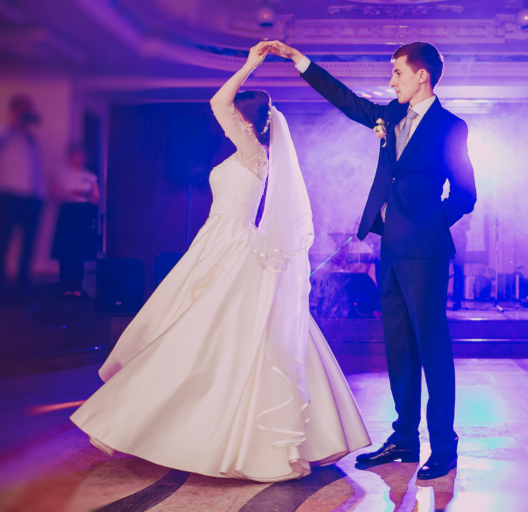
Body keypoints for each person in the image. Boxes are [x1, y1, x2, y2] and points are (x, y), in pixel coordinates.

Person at [70, 42, 371, 482]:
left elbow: (217, 101)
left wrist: (250, 65)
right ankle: (183, 426)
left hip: (231, 244)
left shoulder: (251, 151)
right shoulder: (246, 155)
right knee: (203, 333)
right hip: (217, 240)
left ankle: (202, 432)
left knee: (209, 334)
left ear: (246, 121)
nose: (226, 123)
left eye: (235, 118)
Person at [266, 40, 477, 480]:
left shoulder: (451, 127)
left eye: (398, 73)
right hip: (391, 247)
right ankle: (404, 439)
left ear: (423, 75)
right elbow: (346, 101)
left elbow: (466, 194)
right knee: (398, 345)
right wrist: (300, 60)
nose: (391, 80)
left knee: (431, 346)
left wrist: (427, 224)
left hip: (425, 249)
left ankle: (445, 446)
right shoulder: (392, 115)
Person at [0, 95, 46, 297]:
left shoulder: (31, 138)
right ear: (13, 111)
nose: (24, 115)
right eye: (21, 110)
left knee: (29, 241)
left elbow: (34, 168)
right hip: (10, 193)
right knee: (4, 239)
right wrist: (14, 125)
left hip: (32, 196)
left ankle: (22, 283)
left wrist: (40, 193)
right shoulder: (5, 133)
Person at [52, 143, 100, 299]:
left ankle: (77, 286)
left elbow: (96, 200)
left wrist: (85, 194)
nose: (79, 159)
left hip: (83, 212)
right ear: (70, 156)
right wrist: (69, 193)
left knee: (79, 249)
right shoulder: (62, 174)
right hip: (67, 211)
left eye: (81, 155)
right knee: (67, 249)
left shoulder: (90, 176)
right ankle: (65, 286)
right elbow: (54, 195)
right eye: (76, 155)